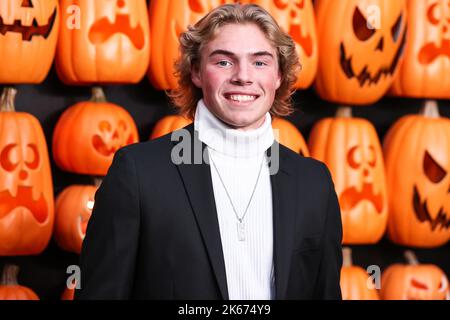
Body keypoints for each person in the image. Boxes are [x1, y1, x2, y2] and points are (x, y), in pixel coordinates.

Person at [75, 3, 342, 300]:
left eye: (260, 63)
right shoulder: (138, 173)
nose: (243, 76)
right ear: (197, 72)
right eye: (224, 62)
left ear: (278, 76)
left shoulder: (313, 182)